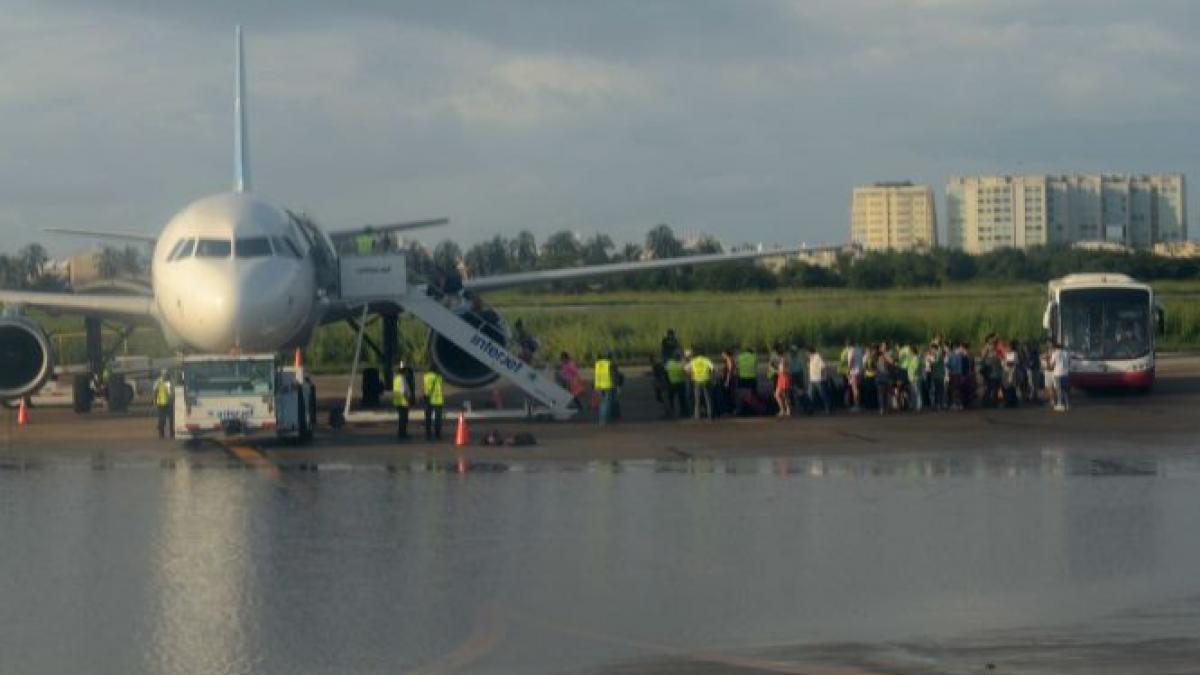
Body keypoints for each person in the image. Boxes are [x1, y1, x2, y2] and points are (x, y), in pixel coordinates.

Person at [684, 349, 716, 420]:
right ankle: (710, 415)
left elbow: (685, 369)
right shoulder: (706, 360)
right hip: (706, 380)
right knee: (708, 399)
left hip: (697, 381)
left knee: (697, 399)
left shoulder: (693, 361)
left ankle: (697, 416)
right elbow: (713, 369)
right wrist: (712, 378)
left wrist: (691, 375)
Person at [393, 361, 414, 440]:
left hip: (398, 401)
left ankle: (401, 433)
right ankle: (403, 434)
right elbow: (404, 391)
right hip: (403, 402)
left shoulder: (396, 378)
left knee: (401, 419)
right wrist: (408, 400)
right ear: (403, 371)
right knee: (404, 419)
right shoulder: (402, 379)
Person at [807, 346, 831, 414]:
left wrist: (824, 377)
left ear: (810, 352)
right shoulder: (811, 358)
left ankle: (828, 407)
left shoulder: (818, 357)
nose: (807, 354)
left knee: (822, 394)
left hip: (819, 379)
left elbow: (823, 367)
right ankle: (810, 409)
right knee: (810, 395)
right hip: (812, 379)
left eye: (808, 353)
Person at [422, 368, 445, 440]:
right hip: (438, 400)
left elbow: (426, 387)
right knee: (438, 418)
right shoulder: (440, 376)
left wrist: (425, 396)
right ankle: (438, 434)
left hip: (429, 399)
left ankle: (428, 433)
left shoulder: (426, 376)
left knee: (428, 417)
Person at [594, 351, 616, 425]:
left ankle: (602, 420)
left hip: (600, 386)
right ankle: (606, 419)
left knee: (602, 403)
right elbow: (612, 375)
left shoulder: (597, 364)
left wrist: (596, 387)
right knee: (607, 402)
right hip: (608, 385)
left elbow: (596, 376)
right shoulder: (609, 364)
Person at [1049, 341, 1071, 411]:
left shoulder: (1055, 353)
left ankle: (1060, 404)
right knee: (1065, 389)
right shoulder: (1066, 353)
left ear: (1055, 347)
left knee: (1059, 389)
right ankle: (1067, 404)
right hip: (1065, 373)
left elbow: (1052, 364)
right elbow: (1069, 362)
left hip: (1057, 373)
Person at [770, 344, 792, 417]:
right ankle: (786, 410)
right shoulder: (784, 358)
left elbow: (782, 371)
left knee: (780, 395)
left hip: (783, 377)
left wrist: (775, 370)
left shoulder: (783, 359)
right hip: (783, 377)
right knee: (783, 395)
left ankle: (784, 410)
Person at [735, 345, 757, 414]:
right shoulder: (754, 356)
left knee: (742, 395)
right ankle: (753, 409)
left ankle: (743, 409)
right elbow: (755, 364)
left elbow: (737, 366)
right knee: (753, 395)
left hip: (742, 378)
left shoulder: (740, 356)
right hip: (752, 378)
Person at [664, 351, 687, 418]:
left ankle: (672, 412)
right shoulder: (682, 363)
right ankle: (683, 412)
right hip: (681, 383)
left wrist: (667, 381)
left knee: (671, 399)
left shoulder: (669, 363)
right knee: (682, 399)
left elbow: (665, 373)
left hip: (672, 383)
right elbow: (685, 372)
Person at [153, 369, 173, 439]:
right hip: (163, 403)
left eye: (167, 375)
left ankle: (170, 434)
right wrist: (155, 402)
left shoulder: (169, 381)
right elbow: (155, 392)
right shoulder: (160, 382)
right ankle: (162, 434)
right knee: (163, 419)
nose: (166, 376)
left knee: (170, 419)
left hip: (167, 403)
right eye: (165, 374)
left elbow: (171, 392)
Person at [875, 343, 892, 415]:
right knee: (882, 393)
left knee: (885, 393)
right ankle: (883, 409)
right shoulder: (878, 355)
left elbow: (891, 362)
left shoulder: (885, 355)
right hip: (881, 376)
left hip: (884, 376)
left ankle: (885, 408)